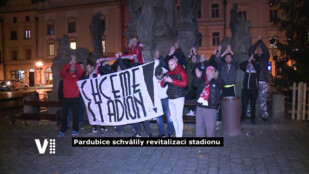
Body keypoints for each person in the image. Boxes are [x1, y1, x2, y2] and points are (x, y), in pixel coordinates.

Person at [161, 58, 188, 137]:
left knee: (179, 118)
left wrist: (172, 81)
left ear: (176, 63)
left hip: (179, 97)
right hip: (170, 98)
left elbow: (185, 84)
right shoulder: (168, 73)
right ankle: (177, 135)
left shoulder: (182, 71)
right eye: (169, 65)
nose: (170, 66)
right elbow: (162, 85)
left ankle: (179, 136)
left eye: (171, 64)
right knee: (173, 118)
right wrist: (165, 81)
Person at [58, 55, 83, 137]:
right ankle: (62, 130)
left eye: (73, 66)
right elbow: (62, 70)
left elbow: (80, 70)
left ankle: (75, 130)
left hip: (75, 98)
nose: (72, 67)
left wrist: (75, 62)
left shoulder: (78, 75)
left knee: (75, 115)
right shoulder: (65, 75)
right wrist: (70, 62)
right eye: (71, 66)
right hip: (66, 98)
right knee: (64, 115)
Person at [194, 65, 222, 137]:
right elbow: (195, 84)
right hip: (200, 106)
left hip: (211, 106)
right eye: (210, 70)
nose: (212, 72)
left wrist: (213, 79)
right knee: (199, 125)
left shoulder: (217, 80)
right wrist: (197, 77)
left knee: (210, 127)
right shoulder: (202, 79)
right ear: (206, 72)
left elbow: (221, 85)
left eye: (213, 70)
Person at [249, 35, 270, 121]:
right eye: (258, 49)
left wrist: (261, 41)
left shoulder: (265, 58)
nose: (259, 50)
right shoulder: (256, 58)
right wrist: (257, 43)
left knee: (263, 99)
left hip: (263, 81)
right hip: (256, 81)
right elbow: (250, 51)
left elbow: (266, 50)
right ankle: (251, 113)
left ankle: (264, 115)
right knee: (254, 98)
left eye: (260, 49)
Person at [86, 62, 108, 134]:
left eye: (89, 67)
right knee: (92, 113)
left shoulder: (97, 74)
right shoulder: (86, 76)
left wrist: (102, 66)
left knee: (100, 112)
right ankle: (94, 127)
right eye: (87, 68)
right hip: (90, 98)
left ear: (93, 67)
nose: (87, 69)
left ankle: (103, 127)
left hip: (98, 97)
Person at [154, 64, 174, 137]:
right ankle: (162, 132)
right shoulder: (154, 77)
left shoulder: (166, 76)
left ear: (162, 73)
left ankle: (170, 132)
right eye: (157, 76)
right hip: (158, 100)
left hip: (166, 99)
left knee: (169, 116)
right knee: (158, 117)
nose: (158, 77)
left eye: (159, 75)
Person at [240, 54, 260, 124]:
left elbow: (258, 67)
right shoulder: (246, 67)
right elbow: (241, 65)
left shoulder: (257, 68)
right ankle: (242, 118)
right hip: (246, 89)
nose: (251, 61)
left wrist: (252, 60)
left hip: (253, 90)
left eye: (253, 59)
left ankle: (253, 119)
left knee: (253, 105)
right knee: (244, 105)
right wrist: (248, 60)